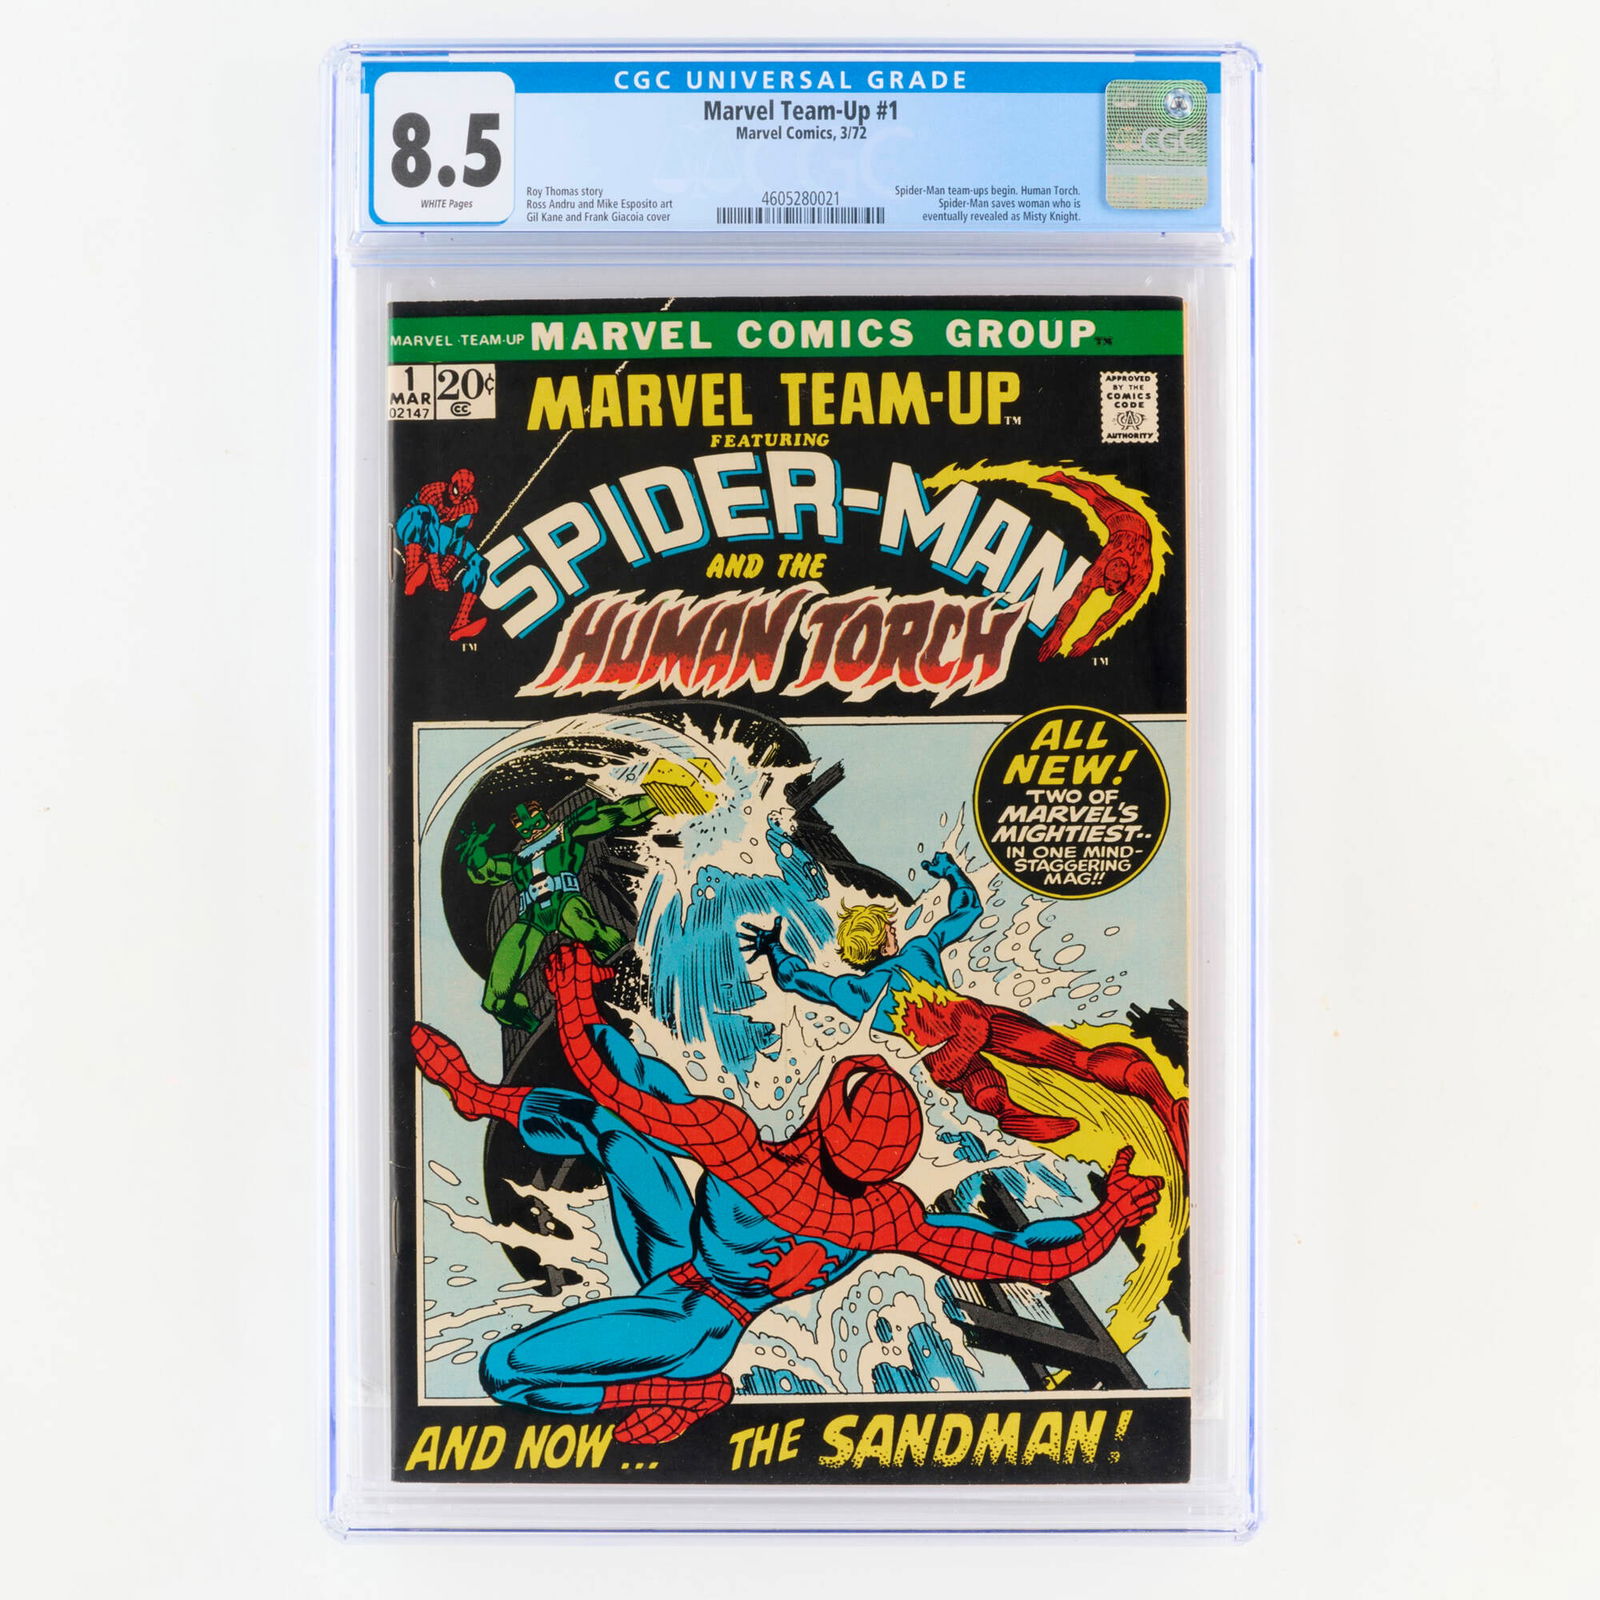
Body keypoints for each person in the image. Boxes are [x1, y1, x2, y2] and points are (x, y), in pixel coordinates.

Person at [412, 942, 1163, 1445]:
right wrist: (1109, 1215)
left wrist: (576, 998)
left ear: (827, 1111)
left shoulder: (741, 1150)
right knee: (618, 1130)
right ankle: (482, 1100)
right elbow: (1028, 1257)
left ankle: (668, 1394)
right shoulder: (887, 1216)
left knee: (505, 1371)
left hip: (691, 1326)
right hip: (681, 1263)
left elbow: (607, 1079)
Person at [741, 850, 1188, 1165]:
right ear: (887, 937)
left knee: (982, 1091)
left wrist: (772, 947)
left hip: (941, 1055)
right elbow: (967, 910)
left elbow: (796, 979)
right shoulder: (918, 951)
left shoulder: (853, 992)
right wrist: (952, 874)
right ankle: (1166, 1104)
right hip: (973, 1020)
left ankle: (1012, 1113)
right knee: (1077, 1059)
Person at [395, 468, 489, 642]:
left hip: (438, 532)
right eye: (457, 491)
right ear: (451, 483)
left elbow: (457, 539)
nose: (458, 499)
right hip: (409, 524)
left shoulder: (469, 506)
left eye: (464, 496)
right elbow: (429, 531)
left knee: (480, 563)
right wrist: (437, 575)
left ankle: (461, 622)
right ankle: (412, 572)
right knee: (425, 514)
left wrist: (444, 571)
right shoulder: (432, 491)